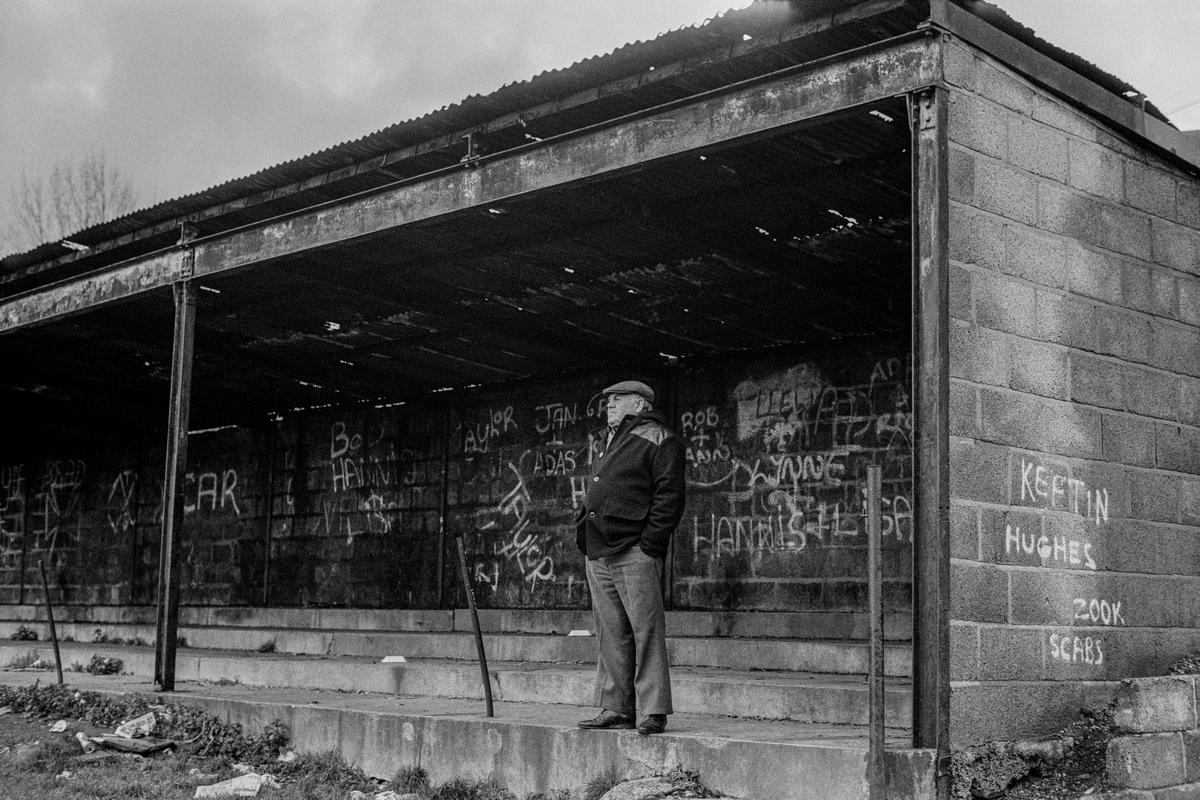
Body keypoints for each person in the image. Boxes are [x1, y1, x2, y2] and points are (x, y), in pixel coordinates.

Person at [574, 379, 685, 735]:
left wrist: (650, 543)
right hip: (599, 550)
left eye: (618, 399)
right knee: (610, 632)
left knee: (645, 631)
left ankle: (653, 710)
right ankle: (616, 706)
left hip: (635, 550)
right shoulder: (608, 439)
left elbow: (669, 496)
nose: (609, 404)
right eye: (608, 399)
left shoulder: (659, 437)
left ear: (639, 404)